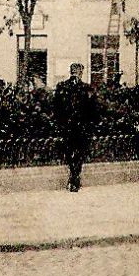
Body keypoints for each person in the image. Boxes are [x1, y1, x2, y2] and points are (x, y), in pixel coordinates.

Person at [53, 62, 99, 193]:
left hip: (78, 126)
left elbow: (93, 109)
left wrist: (91, 124)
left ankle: (74, 176)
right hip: (70, 126)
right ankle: (74, 175)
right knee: (71, 152)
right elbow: (57, 106)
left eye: (77, 71)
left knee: (78, 152)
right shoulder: (64, 87)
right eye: (75, 71)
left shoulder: (85, 88)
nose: (76, 73)